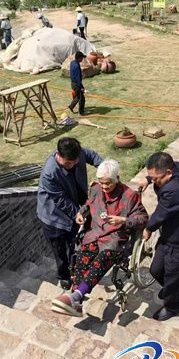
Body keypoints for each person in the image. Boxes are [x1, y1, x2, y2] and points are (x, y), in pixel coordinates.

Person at [51, 159, 148, 317]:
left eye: (107, 183)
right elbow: (88, 204)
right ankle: (76, 301)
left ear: (117, 178)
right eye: (101, 183)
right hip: (95, 234)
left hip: (115, 238)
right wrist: (81, 213)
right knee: (82, 257)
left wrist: (123, 220)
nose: (103, 187)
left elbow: (143, 218)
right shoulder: (96, 189)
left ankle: (75, 297)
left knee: (100, 260)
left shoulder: (130, 196)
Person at [139, 152, 179, 321]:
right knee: (156, 270)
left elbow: (159, 215)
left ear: (168, 173)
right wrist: (148, 179)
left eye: (155, 179)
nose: (154, 181)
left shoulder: (174, 191)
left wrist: (148, 229)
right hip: (169, 236)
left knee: (173, 279)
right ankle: (170, 289)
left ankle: (172, 306)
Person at [37, 137, 103, 290]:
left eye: (75, 162)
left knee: (76, 244)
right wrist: (78, 214)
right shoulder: (50, 173)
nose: (72, 165)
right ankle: (64, 276)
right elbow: (61, 200)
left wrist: (105, 169)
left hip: (74, 207)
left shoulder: (77, 154)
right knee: (59, 250)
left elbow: (92, 156)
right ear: (58, 154)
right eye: (68, 163)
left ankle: (77, 270)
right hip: (53, 217)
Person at [68, 51, 86, 116]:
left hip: (73, 83)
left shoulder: (72, 63)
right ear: (79, 58)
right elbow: (78, 78)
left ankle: (71, 106)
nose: (82, 59)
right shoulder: (76, 66)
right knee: (81, 98)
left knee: (78, 97)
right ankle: (81, 112)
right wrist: (81, 87)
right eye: (82, 58)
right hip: (76, 84)